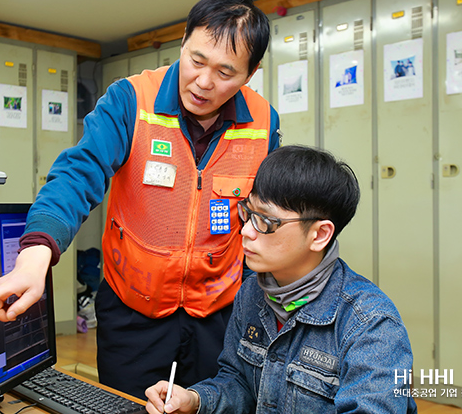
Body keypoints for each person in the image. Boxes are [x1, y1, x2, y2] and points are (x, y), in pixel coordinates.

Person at [0, 0, 280, 398]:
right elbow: (78, 174)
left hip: (219, 313)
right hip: (133, 309)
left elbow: (269, 214)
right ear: (182, 44)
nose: (203, 82)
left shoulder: (262, 122)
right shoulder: (131, 100)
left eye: (225, 72)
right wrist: (34, 256)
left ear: (250, 74)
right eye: (196, 60)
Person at [145, 145, 417, 413]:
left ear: (320, 235)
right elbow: (239, 382)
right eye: (248, 214)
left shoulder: (370, 325)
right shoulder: (252, 291)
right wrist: (195, 400)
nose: (247, 231)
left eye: (265, 221)